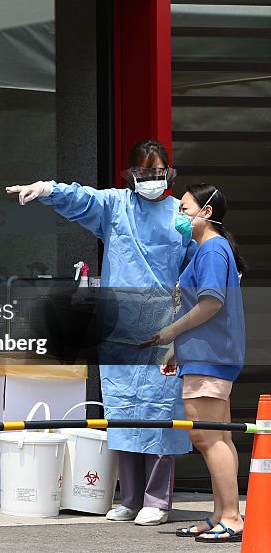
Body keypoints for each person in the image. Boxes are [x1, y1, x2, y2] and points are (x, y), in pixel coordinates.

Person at [5, 139, 193, 526]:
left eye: (158, 173)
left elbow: (201, 259)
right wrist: (45, 189)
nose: (152, 179)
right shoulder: (116, 207)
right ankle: (129, 497)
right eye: (143, 173)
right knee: (123, 413)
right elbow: (80, 198)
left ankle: (157, 499)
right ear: (130, 175)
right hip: (120, 330)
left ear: (169, 173)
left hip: (165, 330)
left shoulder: (181, 216)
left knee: (160, 413)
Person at [146, 184, 247, 542]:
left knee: (206, 436)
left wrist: (170, 332)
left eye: (184, 208)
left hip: (210, 356)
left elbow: (211, 303)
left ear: (205, 212)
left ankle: (232, 517)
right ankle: (222, 514)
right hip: (208, 354)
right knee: (218, 436)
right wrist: (178, 350)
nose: (179, 215)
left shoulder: (212, 249)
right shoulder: (211, 249)